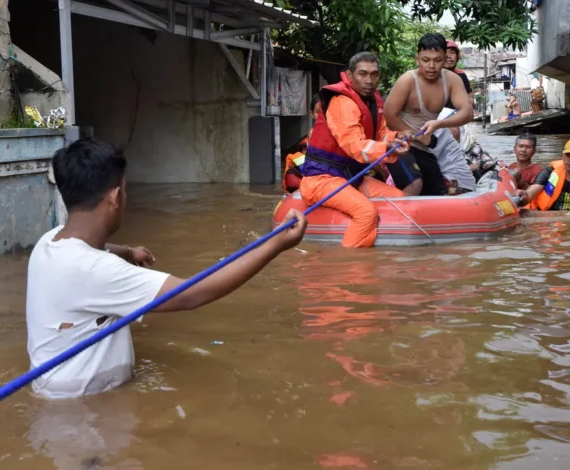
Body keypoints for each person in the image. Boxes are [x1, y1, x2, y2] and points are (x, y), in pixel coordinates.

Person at [26, 138, 307, 399]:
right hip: (89, 409)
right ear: (114, 197)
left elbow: (92, 252)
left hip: (56, 394)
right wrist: (276, 245)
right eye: (125, 191)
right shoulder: (98, 272)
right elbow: (191, 294)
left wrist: (127, 251)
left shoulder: (48, 243)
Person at [300, 51, 408, 248]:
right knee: (366, 212)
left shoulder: (372, 100)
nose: (369, 80)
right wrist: (387, 147)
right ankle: (350, 269)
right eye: (363, 74)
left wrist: (396, 138)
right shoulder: (342, 101)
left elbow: (381, 133)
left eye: (374, 74)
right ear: (350, 75)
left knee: (398, 198)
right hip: (321, 179)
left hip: (350, 177)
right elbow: (354, 145)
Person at [384, 33, 476, 195]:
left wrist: (439, 124)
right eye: (426, 60)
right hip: (400, 143)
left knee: (438, 192)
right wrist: (413, 135)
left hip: (425, 146)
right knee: (415, 184)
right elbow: (389, 116)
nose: (431, 66)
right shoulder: (407, 80)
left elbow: (467, 113)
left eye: (437, 60)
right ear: (417, 59)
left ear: (445, 58)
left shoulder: (453, 80)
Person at [282, 95, 320, 192]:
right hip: (314, 170)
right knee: (291, 158)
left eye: (325, 111)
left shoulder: (338, 131)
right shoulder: (312, 133)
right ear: (312, 114)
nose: (322, 116)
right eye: (318, 112)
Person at [444, 40, 474, 109]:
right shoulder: (432, 75)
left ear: (458, 57)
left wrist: (467, 106)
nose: (448, 56)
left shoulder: (461, 75)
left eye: (452, 52)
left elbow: (469, 95)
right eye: (444, 52)